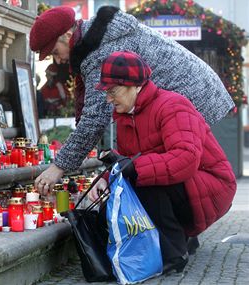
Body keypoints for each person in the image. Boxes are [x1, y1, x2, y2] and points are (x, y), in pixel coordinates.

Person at [30, 6, 234, 197]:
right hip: (197, 92)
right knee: (169, 182)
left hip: (196, 97)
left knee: (177, 181)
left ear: (67, 35)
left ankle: (177, 232)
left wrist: (58, 167)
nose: (57, 60)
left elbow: (95, 118)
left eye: (55, 52)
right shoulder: (97, 39)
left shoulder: (99, 49)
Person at [89, 51, 236, 273]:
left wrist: (134, 169)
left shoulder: (172, 105)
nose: (108, 98)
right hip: (190, 185)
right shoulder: (126, 115)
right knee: (140, 178)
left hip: (214, 185)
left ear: (136, 86)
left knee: (146, 180)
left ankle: (173, 254)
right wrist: (106, 178)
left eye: (113, 91)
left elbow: (185, 159)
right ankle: (183, 234)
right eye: (106, 92)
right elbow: (130, 159)